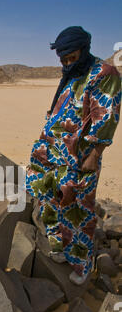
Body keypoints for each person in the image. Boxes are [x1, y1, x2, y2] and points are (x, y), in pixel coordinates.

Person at [26, 26, 121, 285]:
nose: (67, 63)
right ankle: (60, 248)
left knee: (77, 208)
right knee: (49, 200)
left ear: (84, 50)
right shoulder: (71, 74)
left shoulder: (104, 73)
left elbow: (107, 116)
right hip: (51, 151)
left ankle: (82, 266)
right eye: (63, 59)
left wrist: (95, 153)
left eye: (72, 57)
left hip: (79, 156)